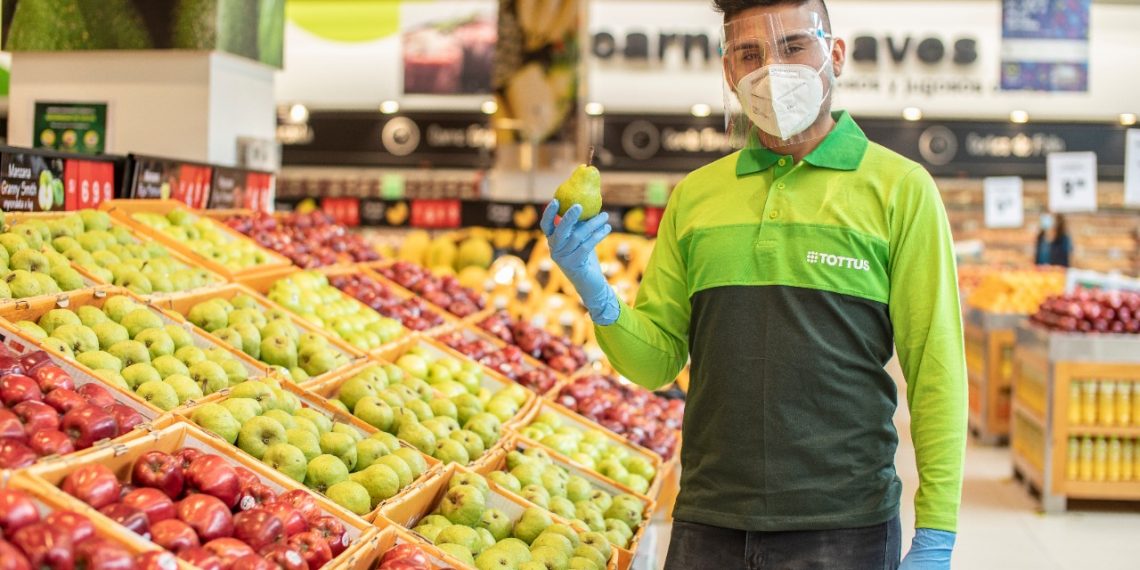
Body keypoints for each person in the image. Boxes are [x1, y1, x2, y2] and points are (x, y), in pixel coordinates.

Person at [539, 0, 966, 568]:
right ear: (729, 73)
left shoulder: (901, 190)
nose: (772, 68)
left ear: (834, 55)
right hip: (708, 518)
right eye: (749, 53)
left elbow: (935, 368)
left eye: (793, 46)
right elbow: (658, 362)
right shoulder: (696, 197)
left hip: (846, 526)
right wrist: (594, 288)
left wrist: (937, 531)